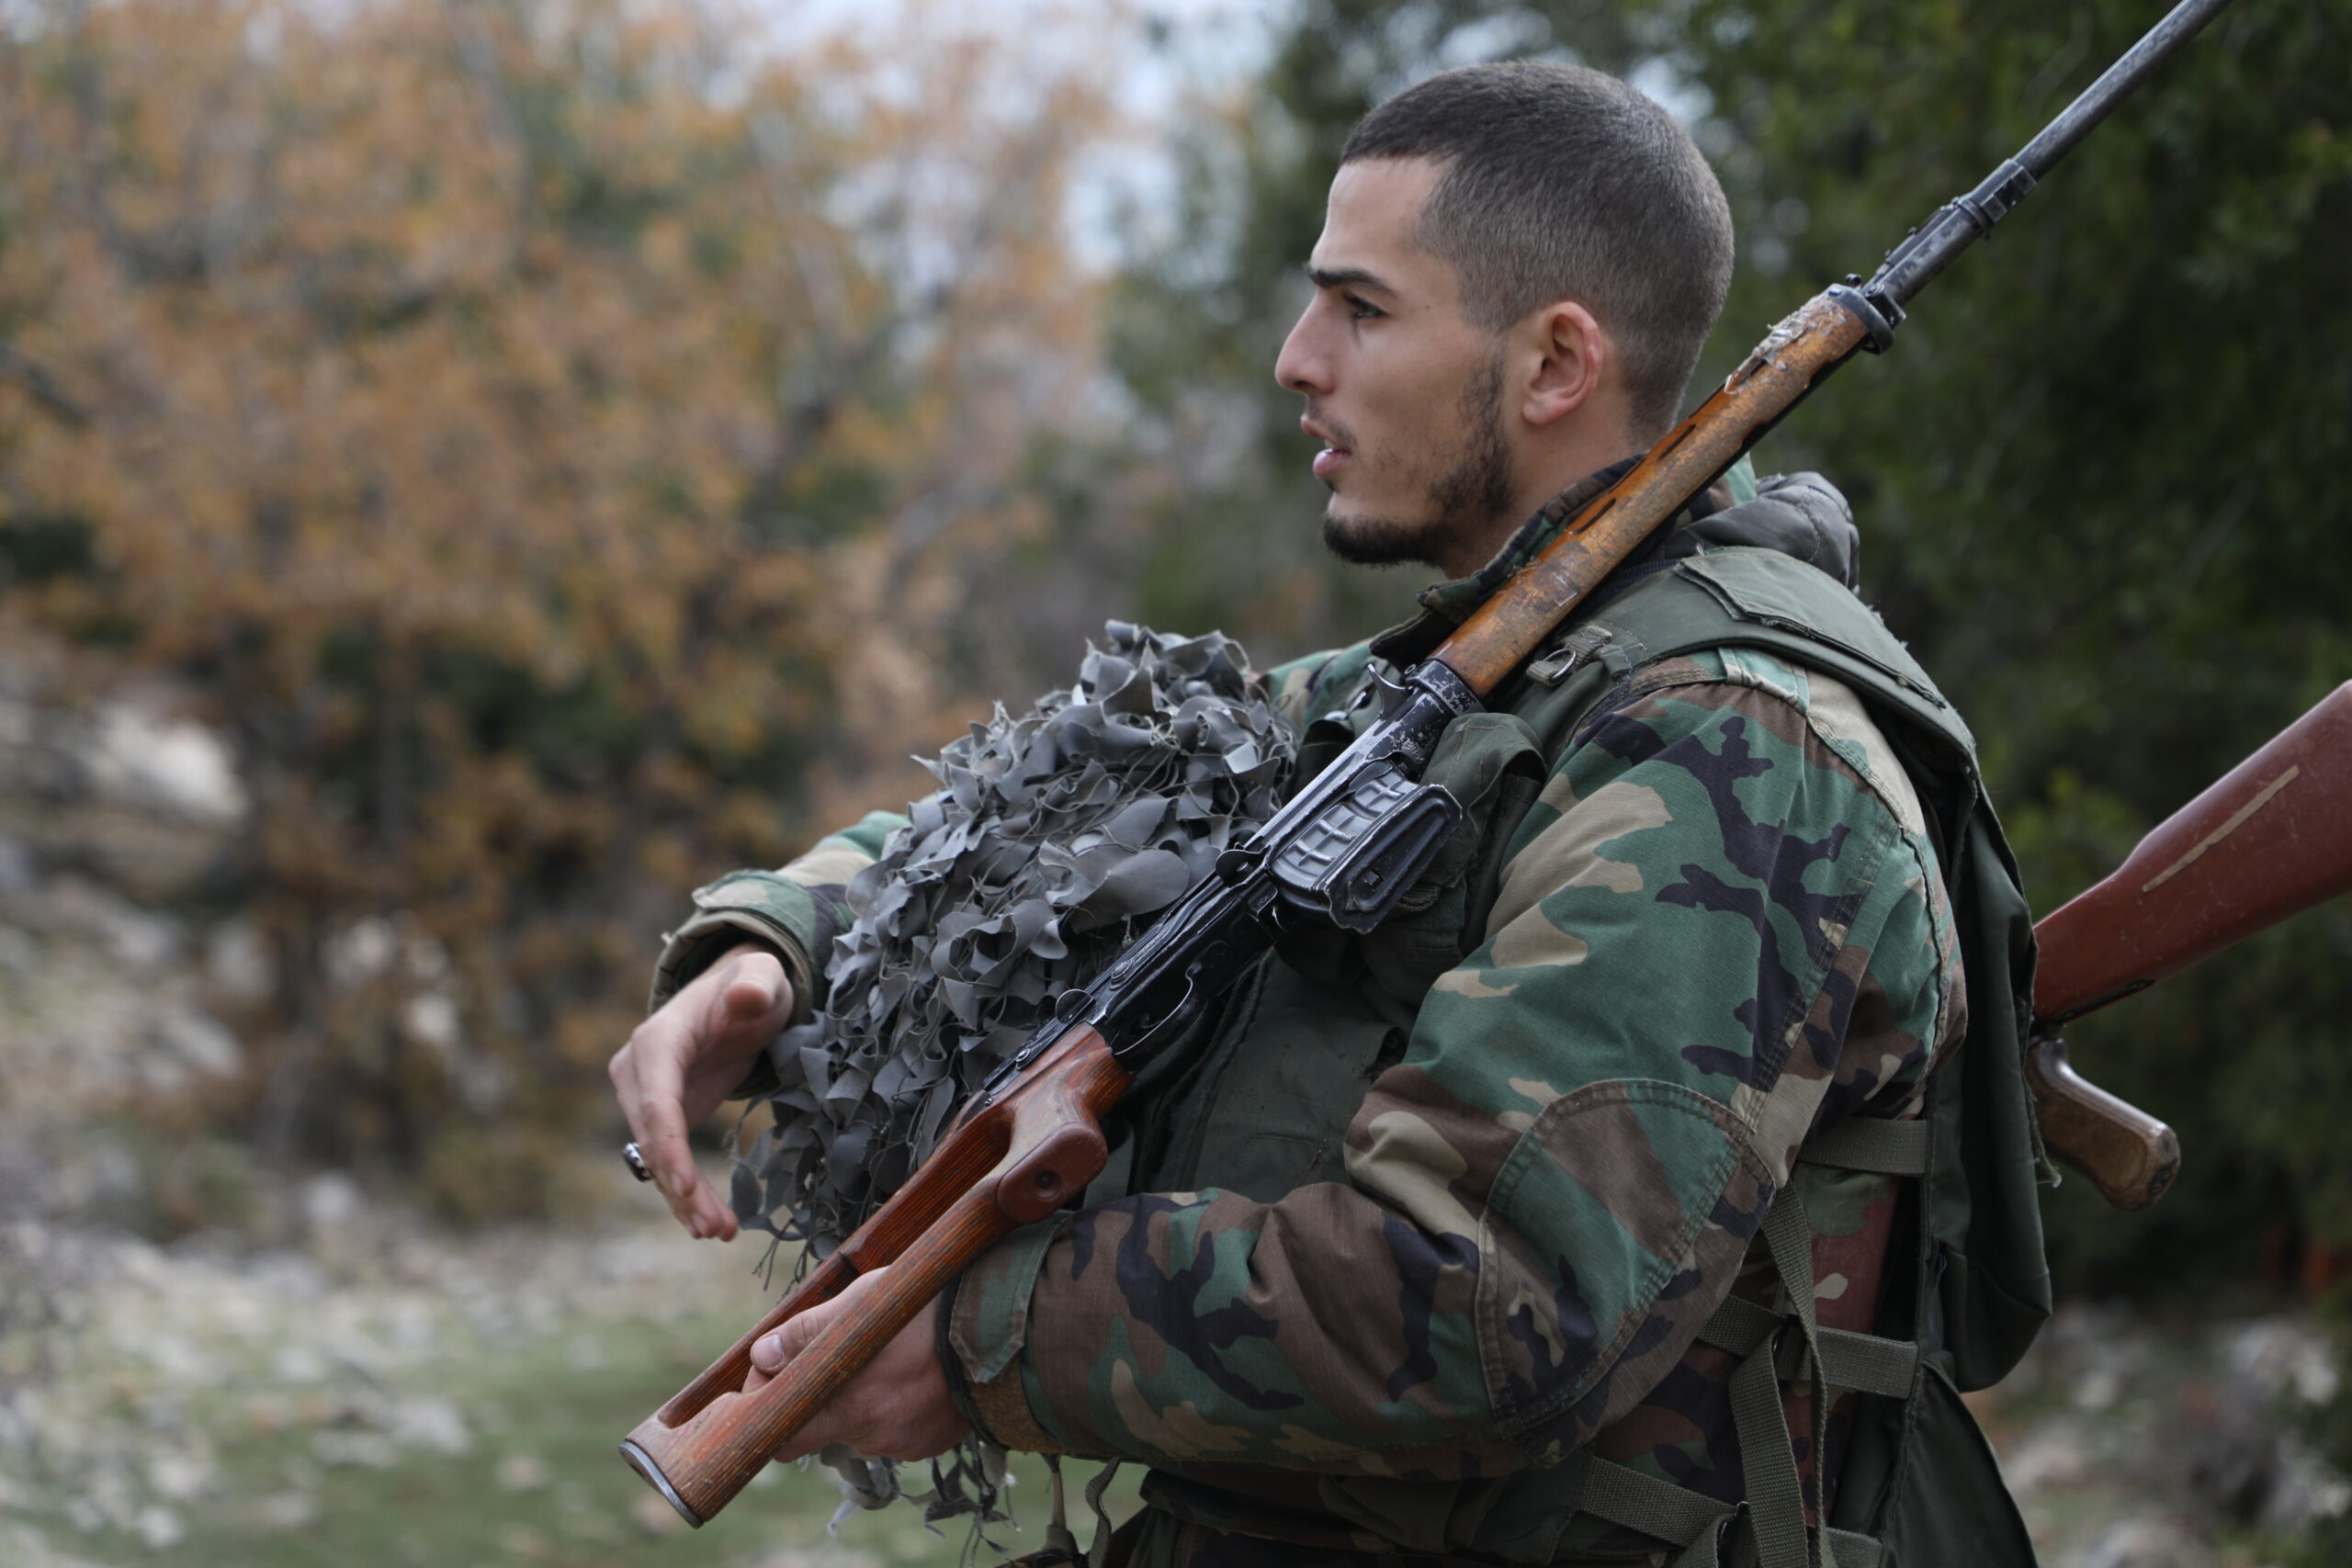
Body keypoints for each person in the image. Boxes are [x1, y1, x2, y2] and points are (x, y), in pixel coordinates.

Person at [608, 61, 2048, 1568]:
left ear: (1556, 363)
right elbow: (1048, 818)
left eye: (1362, 310)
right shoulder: (1450, 690)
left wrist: (987, 1340)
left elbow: (1490, 1303)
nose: (1299, 360)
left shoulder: (1732, 748)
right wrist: (774, 948)